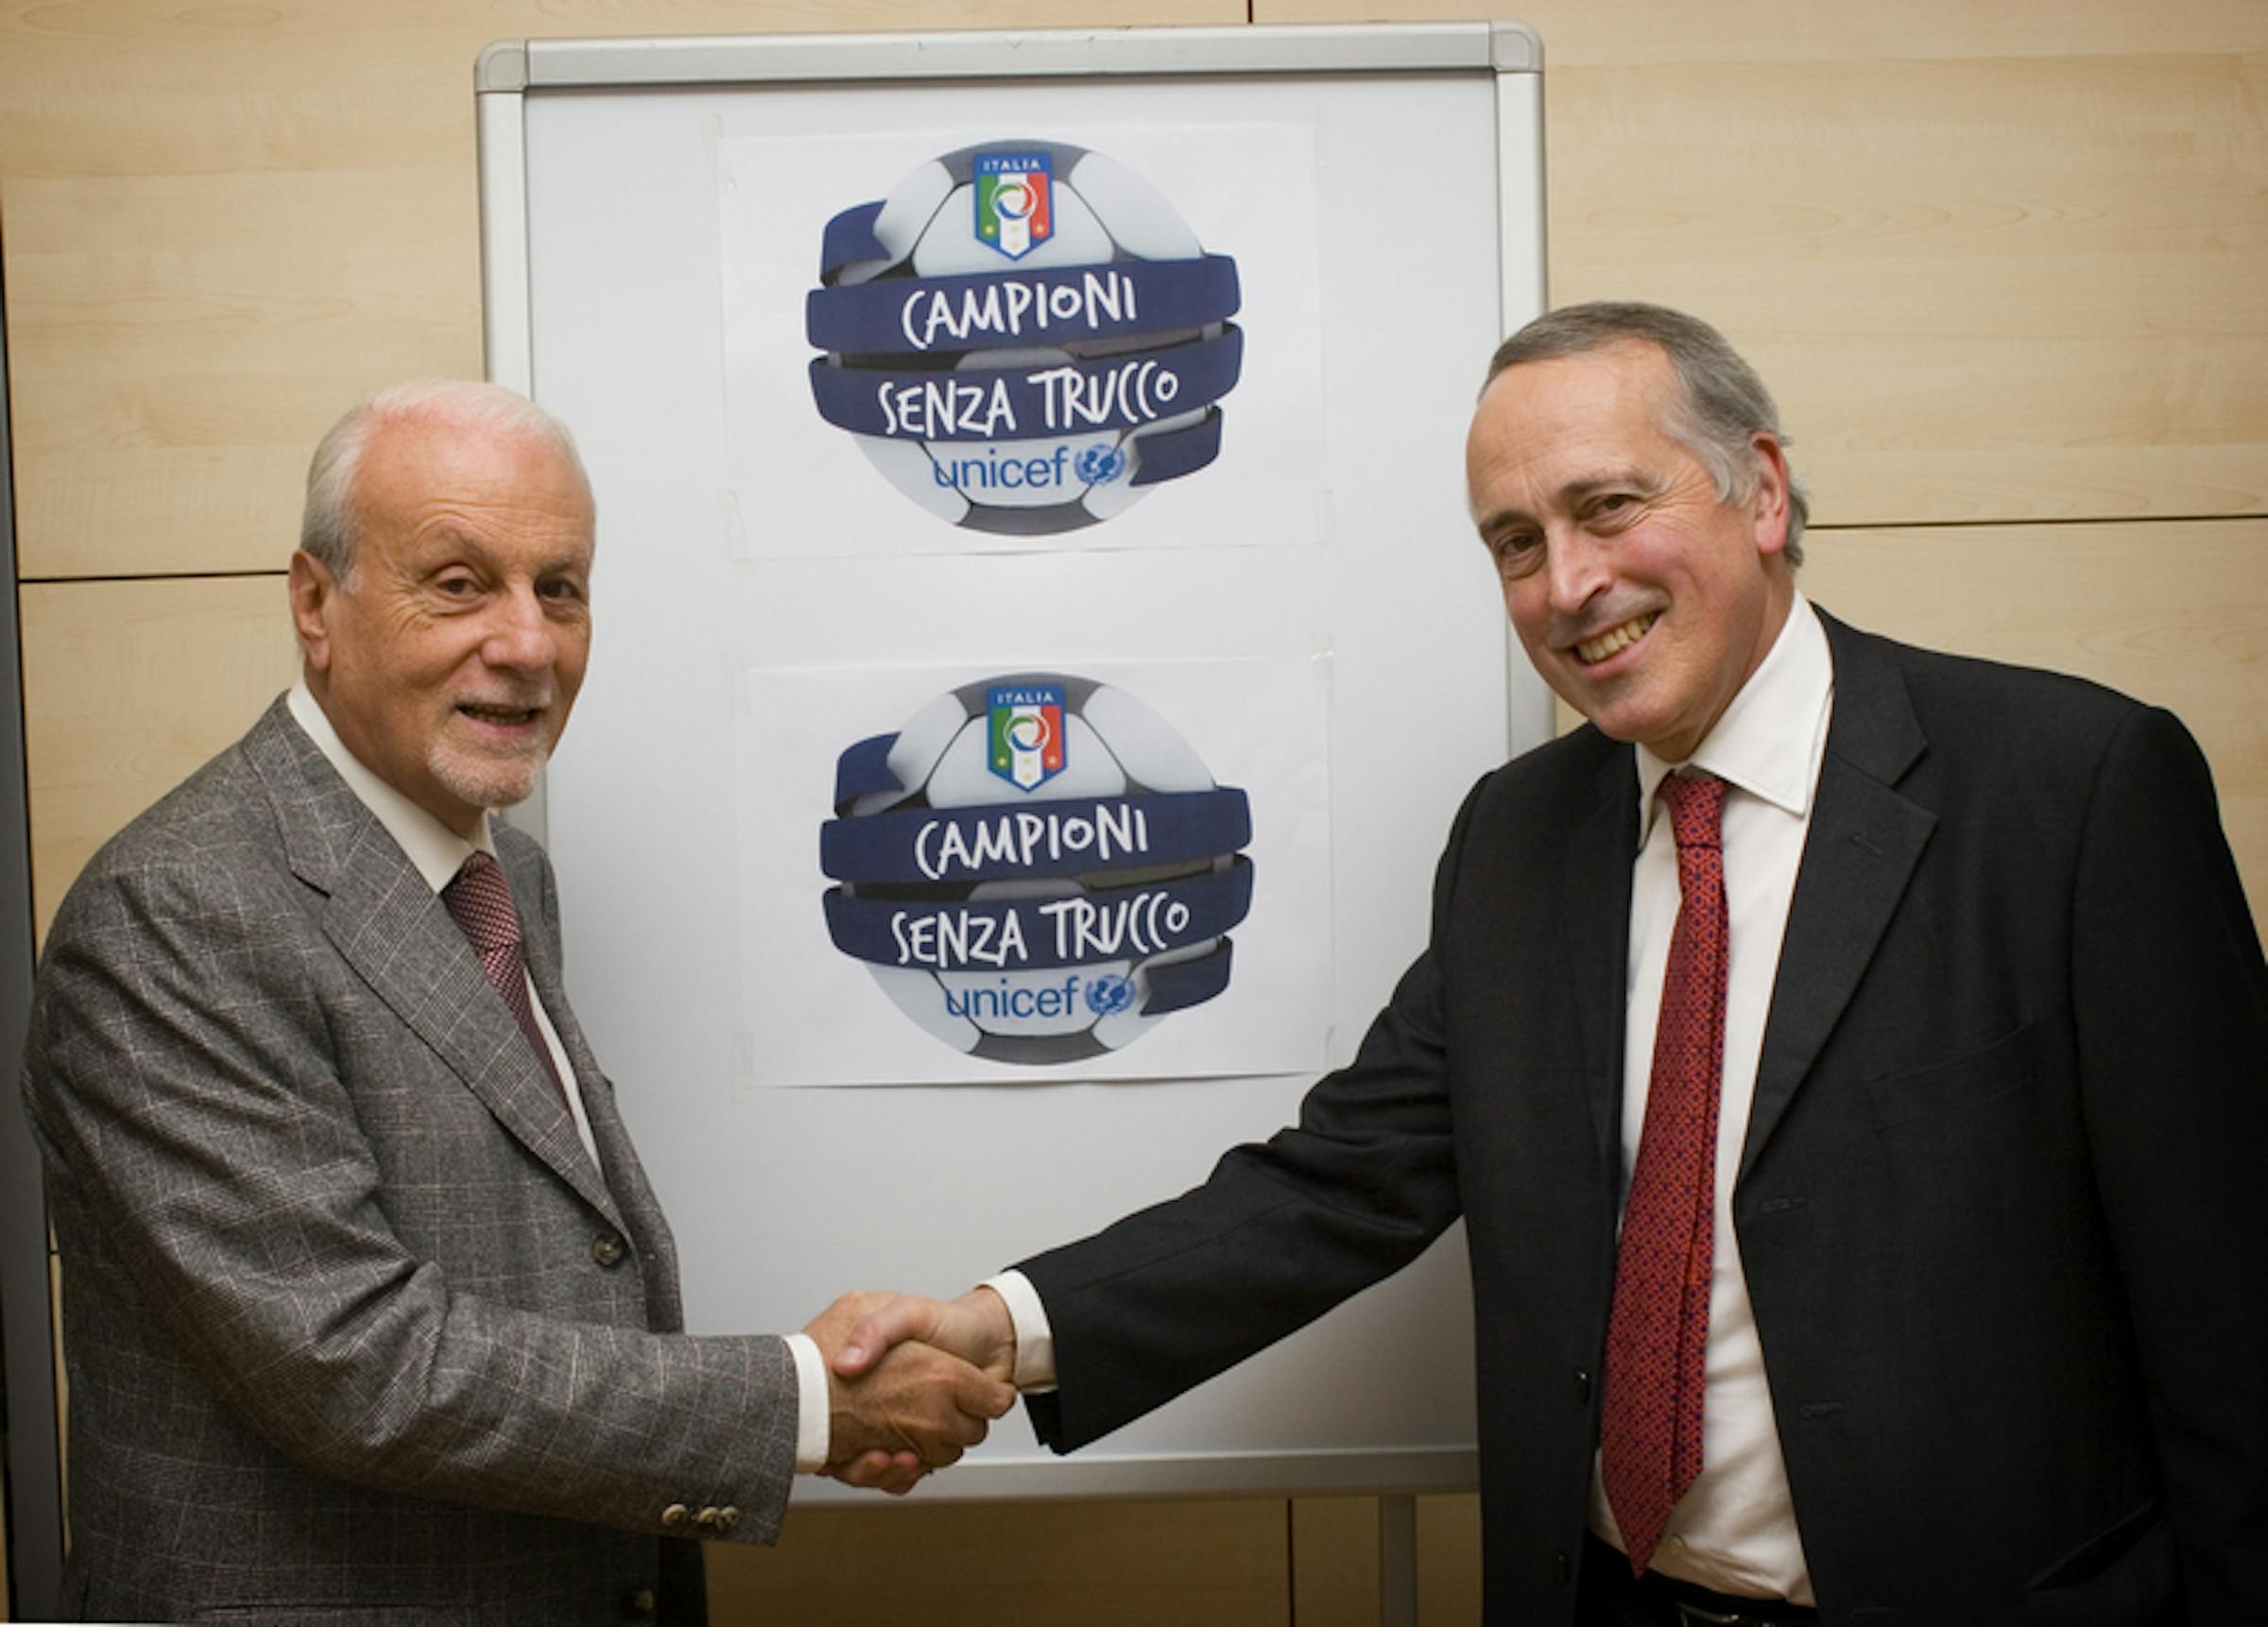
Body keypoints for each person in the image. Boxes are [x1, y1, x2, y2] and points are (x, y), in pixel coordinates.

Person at [833, 304, 2268, 1624]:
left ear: (1761, 490)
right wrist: (996, 1326)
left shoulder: (2071, 791)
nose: (1570, 584)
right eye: (1516, 542)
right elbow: (1339, 1181)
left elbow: (2229, 1307)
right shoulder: (1520, 840)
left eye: (1608, 506)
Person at [18, 381, 1011, 1625]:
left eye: (561, 586)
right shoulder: (174, 910)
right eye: (458, 581)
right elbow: (357, 1362)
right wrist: (804, 1400)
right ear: (315, 605)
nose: (528, 641)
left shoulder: (501, 870)